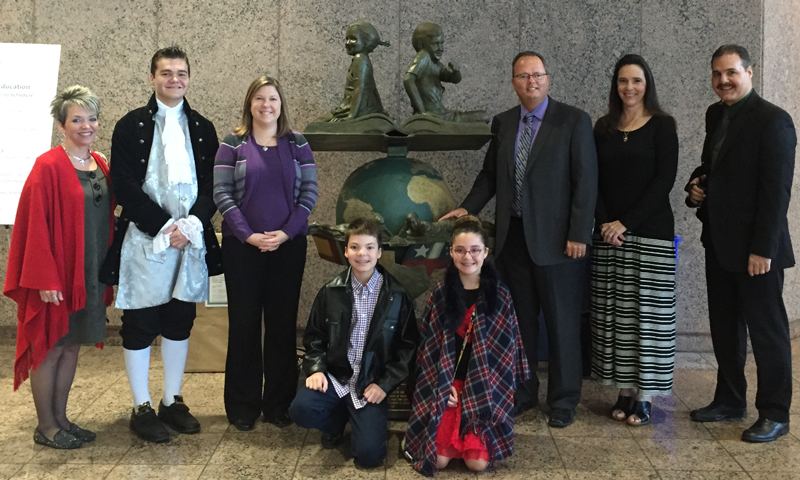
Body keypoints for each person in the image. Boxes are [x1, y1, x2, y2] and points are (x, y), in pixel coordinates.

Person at [440, 51, 597, 428]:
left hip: (560, 244)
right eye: (523, 77)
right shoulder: (504, 123)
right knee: (519, 324)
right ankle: (524, 392)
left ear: (547, 79)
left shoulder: (573, 121)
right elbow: (490, 177)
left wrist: (579, 233)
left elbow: (586, 181)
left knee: (562, 325)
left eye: (537, 75)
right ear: (513, 82)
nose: (531, 82)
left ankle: (563, 400)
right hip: (514, 242)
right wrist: (466, 208)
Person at [99, 46, 222, 443]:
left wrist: (190, 226)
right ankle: (142, 405)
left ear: (189, 78)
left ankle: (171, 400)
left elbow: (214, 186)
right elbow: (124, 184)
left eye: (181, 73)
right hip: (145, 240)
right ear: (152, 78)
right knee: (140, 325)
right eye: (166, 73)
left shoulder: (203, 127)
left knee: (179, 321)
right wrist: (164, 226)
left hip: (189, 240)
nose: (174, 79)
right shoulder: (129, 125)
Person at [685, 45, 796, 443]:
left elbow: (775, 193)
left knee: (767, 333)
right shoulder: (716, 114)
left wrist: (762, 250)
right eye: (717, 74)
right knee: (725, 328)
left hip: (757, 251)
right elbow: (712, 166)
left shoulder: (774, 121)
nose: (723, 81)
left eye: (731, 72)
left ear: (750, 71)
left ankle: (775, 413)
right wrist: (696, 188)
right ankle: (730, 400)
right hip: (719, 242)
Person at [5, 85, 114, 449]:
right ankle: (46, 426)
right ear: (61, 124)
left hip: (89, 275)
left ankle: (63, 418)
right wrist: (43, 279)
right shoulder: (47, 166)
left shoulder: (100, 163)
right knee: (50, 347)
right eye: (77, 119)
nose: (86, 126)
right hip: (57, 277)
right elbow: (33, 227)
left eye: (92, 118)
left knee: (71, 347)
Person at [213, 75, 318, 431]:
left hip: (288, 248)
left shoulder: (298, 143)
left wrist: (286, 233)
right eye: (259, 99)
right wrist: (249, 235)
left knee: (282, 326)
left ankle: (279, 404)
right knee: (244, 326)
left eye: (272, 99)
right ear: (250, 104)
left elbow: (309, 194)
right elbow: (222, 195)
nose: (266, 105)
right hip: (243, 249)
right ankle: (242, 405)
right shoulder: (232, 143)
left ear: (281, 104)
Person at [404, 216, 529, 476]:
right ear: (451, 252)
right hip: (447, 386)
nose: (467, 257)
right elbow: (428, 351)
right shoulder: (440, 293)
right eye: (460, 250)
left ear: (486, 252)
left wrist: (482, 387)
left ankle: (471, 443)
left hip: (484, 387)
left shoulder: (501, 296)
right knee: (437, 461)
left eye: (475, 250)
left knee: (477, 465)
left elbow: (506, 354)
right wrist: (443, 383)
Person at [591, 54, 679, 426]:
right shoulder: (603, 127)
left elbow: (665, 181)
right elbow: (591, 179)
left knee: (650, 319)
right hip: (610, 237)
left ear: (647, 85)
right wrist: (607, 223)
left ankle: (645, 397)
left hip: (651, 233)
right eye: (623, 81)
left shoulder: (663, 125)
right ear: (616, 85)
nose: (630, 88)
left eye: (637, 81)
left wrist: (625, 222)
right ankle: (624, 391)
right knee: (619, 318)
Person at [289, 218, 418, 468]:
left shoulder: (398, 297)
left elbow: (407, 349)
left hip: (370, 384)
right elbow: (315, 337)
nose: (363, 254)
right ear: (346, 251)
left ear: (379, 252)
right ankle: (336, 422)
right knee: (300, 409)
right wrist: (315, 369)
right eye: (355, 247)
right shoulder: (330, 291)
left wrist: (385, 384)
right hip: (336, 377)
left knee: (369, 457)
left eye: (370, 247)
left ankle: (360, 420)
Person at [403, 22, 488, 123]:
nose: (440, 48)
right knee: (483, 117)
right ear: (421, 45)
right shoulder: (424, 56)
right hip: (437, 117)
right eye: (435, 44)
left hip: (442, 114)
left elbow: (453, 79)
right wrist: (421, 113)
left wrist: (455, 72)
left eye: (441, 43)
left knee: (483, 115)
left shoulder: (435, 63)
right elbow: (408, 79)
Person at [316, 21, 390, 122]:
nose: (348, 43)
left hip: (354, 108)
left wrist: (351, 116)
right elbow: (373, 89)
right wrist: (379, 109)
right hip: (354, 106)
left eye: (353, 39)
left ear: (366, 41)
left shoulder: (360, 59)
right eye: (347, 39)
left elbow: (360, 88)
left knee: (318, 123)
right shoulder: (362, 59)